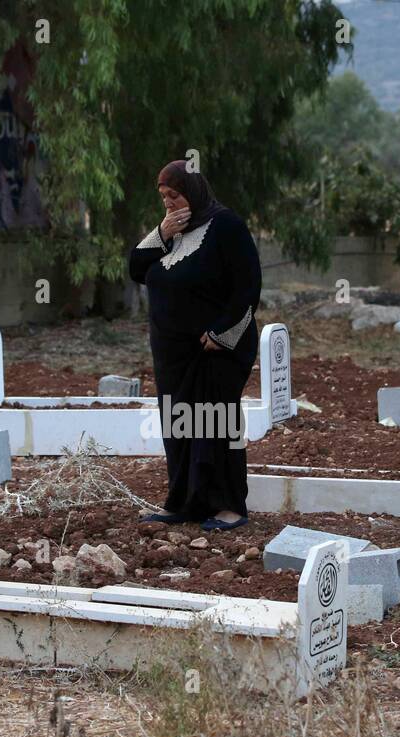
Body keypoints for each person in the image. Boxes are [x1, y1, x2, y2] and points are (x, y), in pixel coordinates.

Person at [128, 160, 261, 532]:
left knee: (217, 423)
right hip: (173, 355)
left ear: (194, 192)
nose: (168, 203)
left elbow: (248, 287)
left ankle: (229, 506)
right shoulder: (171, 231)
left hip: (214, 351)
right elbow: (137, 269)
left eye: (175, 195)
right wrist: (161, 233)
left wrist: (222, 333)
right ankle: (185, 503)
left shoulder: (226, 227)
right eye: (164, 197)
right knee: (179, 426)